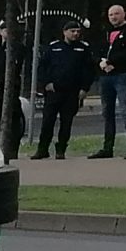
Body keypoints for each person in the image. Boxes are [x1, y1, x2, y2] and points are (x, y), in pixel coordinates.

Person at [31, 19, 97, 160]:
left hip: (72, 92)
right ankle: (42, 149)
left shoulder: (83, 48)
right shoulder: (54, 47)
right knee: (48, 121)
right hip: (54, 91)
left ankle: (61, 149)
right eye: (72, 31)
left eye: (78, 32)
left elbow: (89, 70)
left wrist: (84, 89)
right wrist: (46, 83)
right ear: (64, 32)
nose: (75, 34)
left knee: (66, 123)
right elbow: (42, 67)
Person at [86, 3, 126, 158]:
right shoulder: (105, 32)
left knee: (125, 111)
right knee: (107, 112)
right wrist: (101, 62)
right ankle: (107, 147)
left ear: (123, 14)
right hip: (105, 76)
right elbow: (95, 50)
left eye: (116, 14)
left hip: (123, 75)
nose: (113, 17)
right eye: (111, 15)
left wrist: (111, 62)